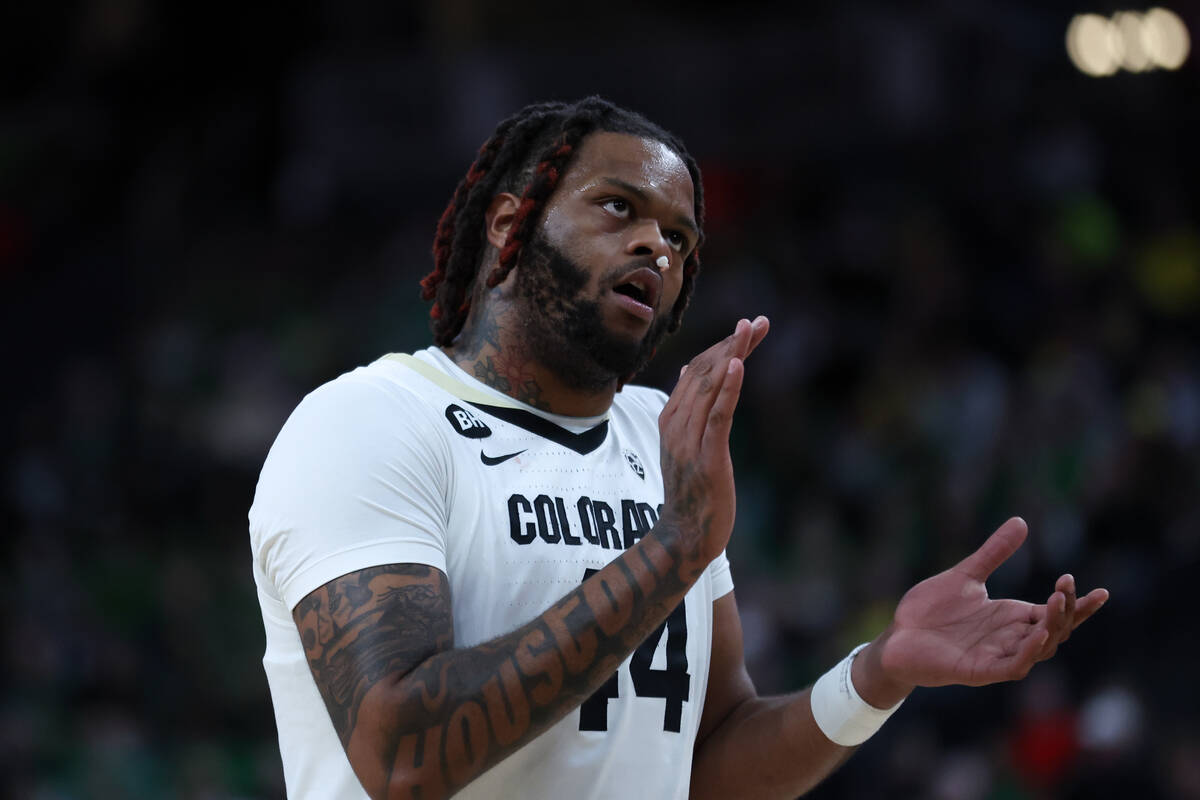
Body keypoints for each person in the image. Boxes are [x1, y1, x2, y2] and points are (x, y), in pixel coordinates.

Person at [248, 96, 1108, 799]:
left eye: (682, 239)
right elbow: (403, 758)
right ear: (509, 228)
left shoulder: (663, 443)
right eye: (619, 207)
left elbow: (708, 761)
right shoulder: (368, 422)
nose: (658, 245)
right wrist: (673, 551)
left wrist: (878, 672)